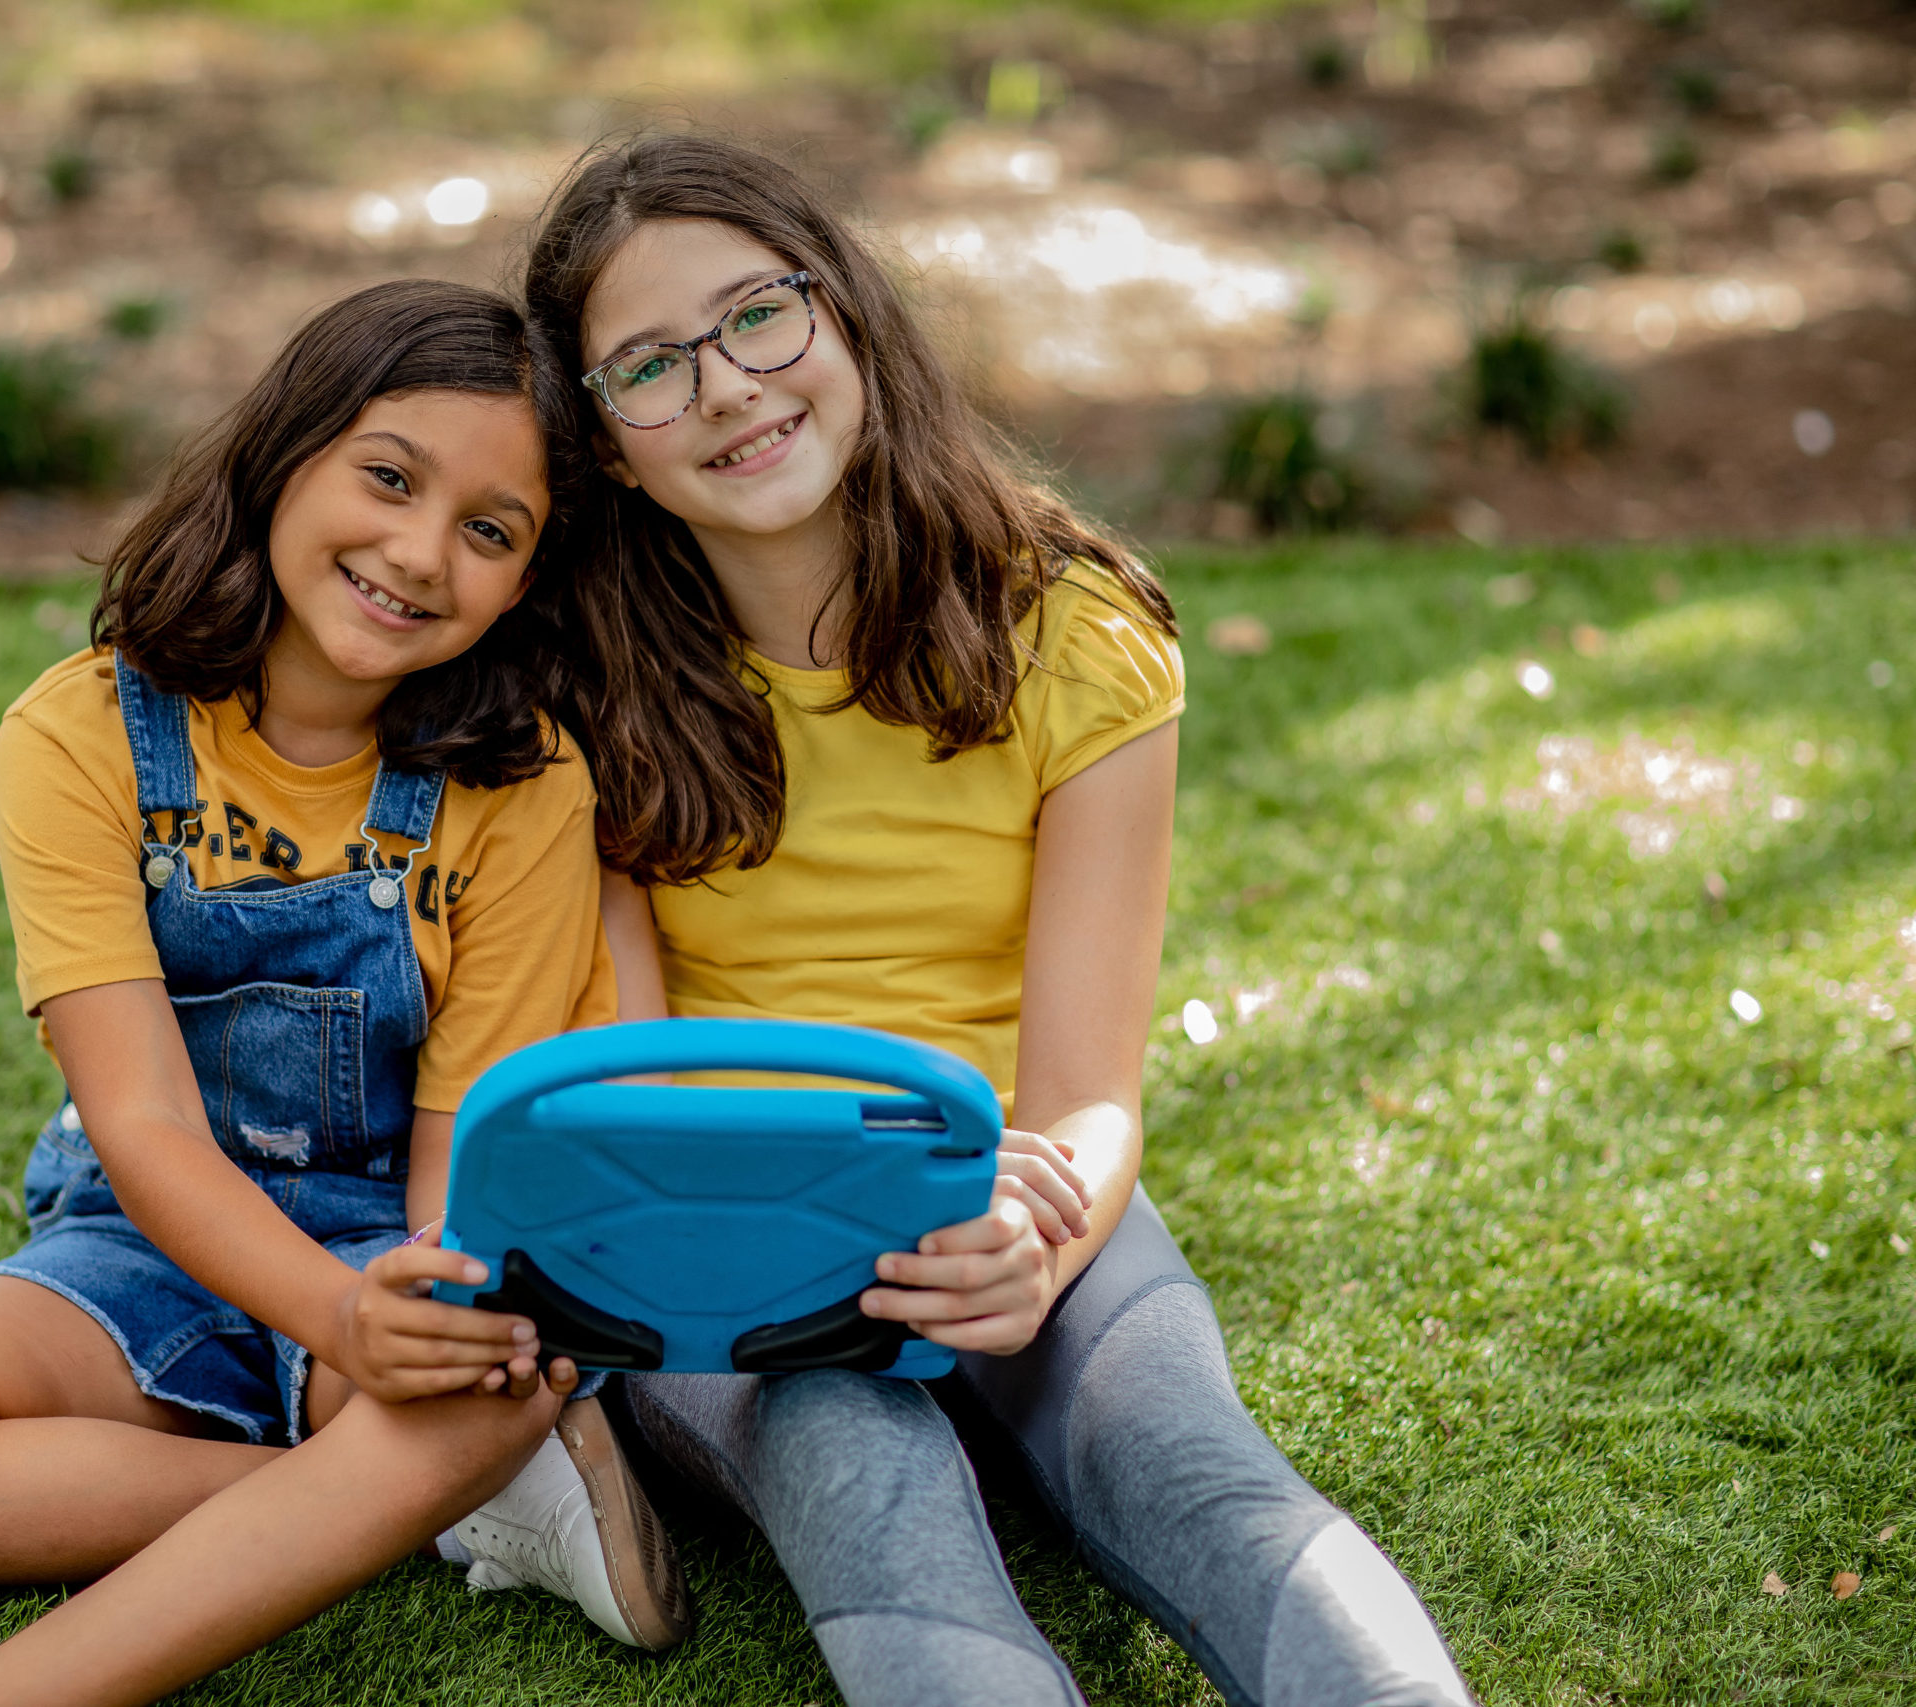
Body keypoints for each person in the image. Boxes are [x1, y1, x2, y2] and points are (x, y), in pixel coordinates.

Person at [524, 134, 1476, 1707]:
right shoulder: (584, 685)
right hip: (724, 1233)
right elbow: (643, 1090)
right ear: (609, 445)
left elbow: (1092, 1089)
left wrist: (1034, 1245)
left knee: (1193, 1466)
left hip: (1013, 1186)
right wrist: (786, 1240)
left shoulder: (1076, 634)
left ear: (844, 316)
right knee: (863, 1476)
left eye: (759, 316)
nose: (728, 388)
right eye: (649, 368)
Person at [0, 280, 688, 1707]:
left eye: (490, 531)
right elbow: (145, 1129)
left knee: (490, 1380)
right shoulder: (79, 732)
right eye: (387, 476)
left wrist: (398, 1316)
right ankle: (360, 1504)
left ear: (528, 579)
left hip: (384, 1240)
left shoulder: (525, 782)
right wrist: (334, 1335)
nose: (420, 553)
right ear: (286, 447)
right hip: (143, 1238)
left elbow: (455, 1169)